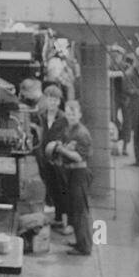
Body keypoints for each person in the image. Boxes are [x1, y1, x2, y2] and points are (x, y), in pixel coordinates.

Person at [46, 100, 94, 256]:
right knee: (74, 211)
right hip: (70, 174)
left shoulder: (82, 133)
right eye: (68, 112)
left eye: (74, 113)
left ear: (79, 114)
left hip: (80, 174)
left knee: (81, 212)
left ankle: (85, 247)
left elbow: (78, 157)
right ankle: (80, 242)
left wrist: (60, 149)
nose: (70, 115)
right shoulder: (68, 130)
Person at [36, 82, 68, 230]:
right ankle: (56, 216)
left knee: (60, 188)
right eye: (49, 98)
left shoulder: (63, 118)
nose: (52, 102)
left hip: (57, 160)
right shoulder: (41, 116)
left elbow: (63, 138)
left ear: (59, 101)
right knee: (50, 187)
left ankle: (62, 217)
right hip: (44, 159)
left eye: (55, 99)